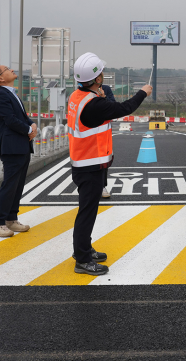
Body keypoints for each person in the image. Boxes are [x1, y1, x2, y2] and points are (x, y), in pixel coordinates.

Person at [69, 52, 152, 275]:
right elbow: (124, 109)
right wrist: (143, 93)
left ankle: (83, 249)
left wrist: (102, 97)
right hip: (90, 165)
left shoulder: (77, 96)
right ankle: (83, 260)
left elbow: (106, 111)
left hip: (83, 162)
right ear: (96, 78)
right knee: (87, 212)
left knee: (86, 210)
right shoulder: (94, 104)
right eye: (101, 73)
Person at [0, 63, 39, 238]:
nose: (11, 70)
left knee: (17, 185)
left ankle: (11, 219)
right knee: (9, 184)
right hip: (12, 147)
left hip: (21, 145)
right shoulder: (0, 95)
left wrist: (31, 124)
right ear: (0, 78)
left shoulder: (11, 94)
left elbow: (22, 116)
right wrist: (28, 130)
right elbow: (9, 120)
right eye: (7, 69)